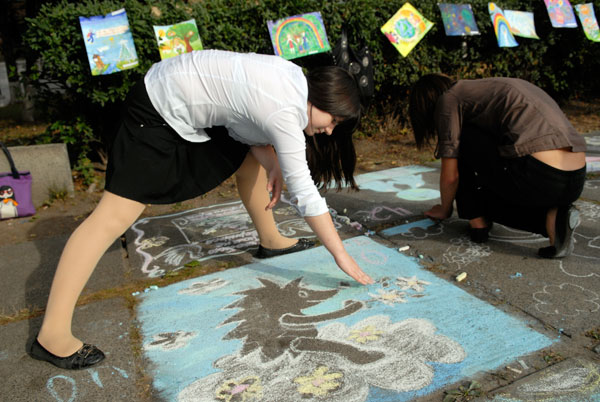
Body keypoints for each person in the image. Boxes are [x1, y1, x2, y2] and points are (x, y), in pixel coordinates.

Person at [28, 49, 374, 370]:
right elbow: (305, 194)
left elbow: (243, 127)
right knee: (113, 216)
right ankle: (52, 334)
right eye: (333, 121)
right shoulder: (287, 110)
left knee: (248, 158)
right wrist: (340, 254)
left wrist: (271, 161)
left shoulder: (293, 79)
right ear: (322, 98)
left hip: (176, 94)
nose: (329, 131)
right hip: (157, 109)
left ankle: (271, 239)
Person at [409, 73, 586, 255]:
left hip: (539, 176)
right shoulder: (492, 89)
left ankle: (478, 221)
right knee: (488, 178)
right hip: (575, 179)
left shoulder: (449, 99)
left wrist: (445, 210)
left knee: (462, 140)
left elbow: (451, 176)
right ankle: (554, 220)